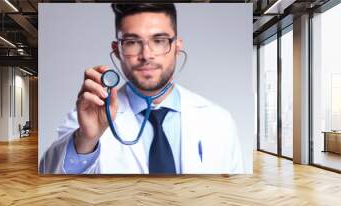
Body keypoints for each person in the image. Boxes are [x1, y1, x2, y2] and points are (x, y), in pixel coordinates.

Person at [39, 3, 244, 174]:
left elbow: (234, 198)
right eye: (132, 42)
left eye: (159, 40)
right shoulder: (87, 119)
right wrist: (86, 140)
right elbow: (51, 181)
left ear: (177, 47)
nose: (147, 55)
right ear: (117, 50)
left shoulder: (219, 121)